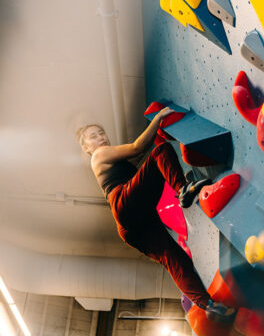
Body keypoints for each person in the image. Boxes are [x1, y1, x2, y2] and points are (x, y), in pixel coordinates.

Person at [77, 106, 235, 322]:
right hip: (124, 203)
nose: (100, 138)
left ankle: (206, 304)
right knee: (160, 152)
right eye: (92, 137)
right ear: (87, 148)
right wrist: (159, 117)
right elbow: (137, 148)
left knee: (173, 257)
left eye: (101, 132)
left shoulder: (109, 160)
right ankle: (183, 190)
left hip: (130, 226)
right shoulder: (98, 155)